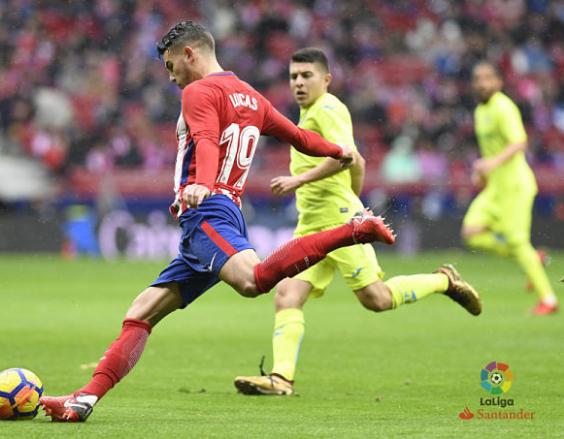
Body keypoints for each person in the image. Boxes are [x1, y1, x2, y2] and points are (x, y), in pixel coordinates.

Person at [39, 22, 396, 422]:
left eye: (172, 65)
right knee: (140, 312)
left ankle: (353, 231)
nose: (171, 76)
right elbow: (297, 136)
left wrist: (203, 185)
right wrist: (337, 151)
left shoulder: (199, 91)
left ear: (190, 54)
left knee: (253, 281)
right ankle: (83, 401)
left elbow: (206, 139)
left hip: (208, 212)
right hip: (209, 223)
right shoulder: (250, 96)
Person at [233, 48, 481, 396]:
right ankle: (281, 379)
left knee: (376, 299)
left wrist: (307, 185)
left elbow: (347, 157)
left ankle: (444, 281)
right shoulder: (308, 114)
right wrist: (354, 198)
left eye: (307, 76)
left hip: (337, 223)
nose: (299, 83)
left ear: (326, 79)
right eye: (294, 77)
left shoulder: (328, 108)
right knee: (287, 295)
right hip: (313, 225)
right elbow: (359, 161)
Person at [461, 61, 558, 315]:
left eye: (487, 78)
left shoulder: (504, 107)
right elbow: (489, 150)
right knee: (471, 232)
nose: (481, 83)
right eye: (477, 78)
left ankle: (548, 299)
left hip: (515, 185)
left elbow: (520, 142)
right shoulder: (481, 111)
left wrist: (491, 162)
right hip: (495, 187)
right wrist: (482, 172)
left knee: (517, 242)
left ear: (498, 82)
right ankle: (532, 259)